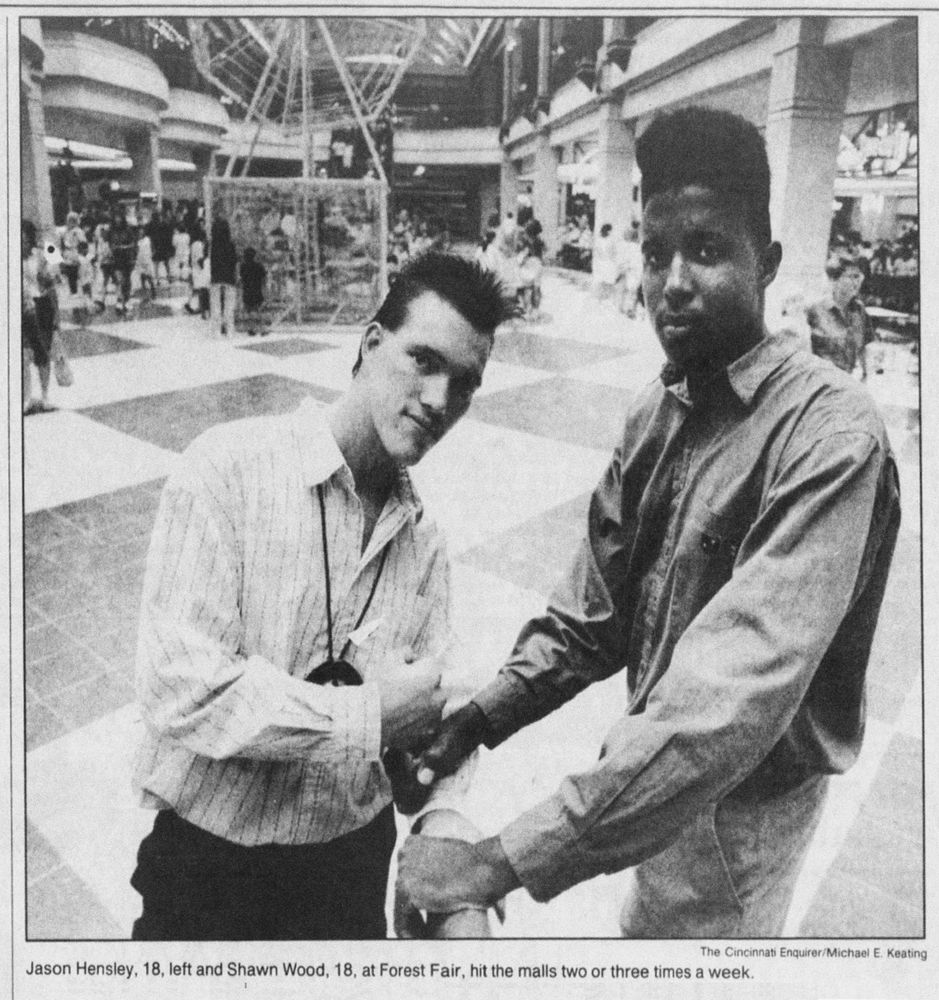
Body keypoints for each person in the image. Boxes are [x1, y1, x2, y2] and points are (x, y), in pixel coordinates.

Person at [395, 106, 901, 939]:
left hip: (739, 817)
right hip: (651, 781)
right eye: (657, 250)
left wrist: (495, 862)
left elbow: (725, 704)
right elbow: (595, 614)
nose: (671, 281)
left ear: (765, 263)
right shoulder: (656, 414)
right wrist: (479, 719)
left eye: (705, 251)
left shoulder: (829, 435)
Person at [130, 252, 512, 941]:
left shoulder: (423, 543)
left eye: (464, 384)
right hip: (207, 874)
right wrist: (366, 716)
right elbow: (180, 688)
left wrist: (444, 827)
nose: (438, 400)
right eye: (423, 360)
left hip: (346, 876)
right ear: (368, 346)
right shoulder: (229, 468)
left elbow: (432, 717)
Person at [806, 251, 876, 380]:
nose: (857, 282)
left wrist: (865, 375)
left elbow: (863, 348)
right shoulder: (814, 310)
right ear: (834, 279)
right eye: (851, 277)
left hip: (846, 383)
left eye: (859, 277)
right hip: (820, 383)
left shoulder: (859, 310)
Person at [22, 220, 57, 415]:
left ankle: (45, 396)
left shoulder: (43, 252)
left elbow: (55, 278)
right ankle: (27, 398)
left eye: (25, 238)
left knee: (43, 353)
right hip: (22, 307)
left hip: (42, 306)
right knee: (24, 355)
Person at [208, 217, 238, 337]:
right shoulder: (231, 244)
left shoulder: (213, 245)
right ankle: (230, 330)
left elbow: (212, 262)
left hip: (216, 277)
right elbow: (234, 261)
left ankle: (216, 331)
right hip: (229, 277)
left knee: (215, 306)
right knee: (229, 306)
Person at [240, 247, 266, 336]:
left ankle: (251, 329)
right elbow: (263, 278)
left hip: (247, 291)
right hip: (257, 290)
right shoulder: (259, 266)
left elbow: (241, 279)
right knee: (258, 310)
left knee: (248, 311)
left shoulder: (243, 266)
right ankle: (262, 329)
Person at [591, 222, 618, 301]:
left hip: (602, 261)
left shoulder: (599, 240)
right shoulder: (610, 240)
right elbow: (613, 252)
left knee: (603, 280)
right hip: (607, 262)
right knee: (606, 281)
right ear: (608, 231)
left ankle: (602, 297)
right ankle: (605, 297)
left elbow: (596, 252)